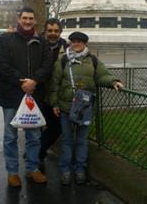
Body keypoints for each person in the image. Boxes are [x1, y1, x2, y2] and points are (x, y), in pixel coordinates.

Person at [49, 31, 123, 185]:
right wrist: (54, 103)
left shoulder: (93, 60)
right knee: (67, 141)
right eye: (73, 41)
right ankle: (65, 170)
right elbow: (54, 84)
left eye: (79, 42)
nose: (76, 44)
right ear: (70, 43)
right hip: (65, 108)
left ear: (85, 44)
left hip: (84, 109)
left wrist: (113, 81)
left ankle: (80, 170)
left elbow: (102, 75)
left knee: (82, 140)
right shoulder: (62, 61)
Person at [0, 7, 52, 187]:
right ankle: (12, 172)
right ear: (19, 19)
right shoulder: (6, 39)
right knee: (10, 136)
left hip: (34, 95)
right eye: (25, 18)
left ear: (35, 21)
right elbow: (2, 65)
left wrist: (34, 81)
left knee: (34, 136)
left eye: (31, 18)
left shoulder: (42, 42)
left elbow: (47, 64)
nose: (28, 21)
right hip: (12, 94)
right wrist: (23, 82)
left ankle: (32, 168)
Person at [39, 18, 68, 161]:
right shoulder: (36, 45)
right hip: (38, 94)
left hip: (56, 96)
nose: (53, 34)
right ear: (45, 31)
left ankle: (38, 152)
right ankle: (35, 159)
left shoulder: (68, 49)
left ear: (60, 32)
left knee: (56, 128)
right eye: (50, 30)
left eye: (56, 31)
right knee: (35, 128)